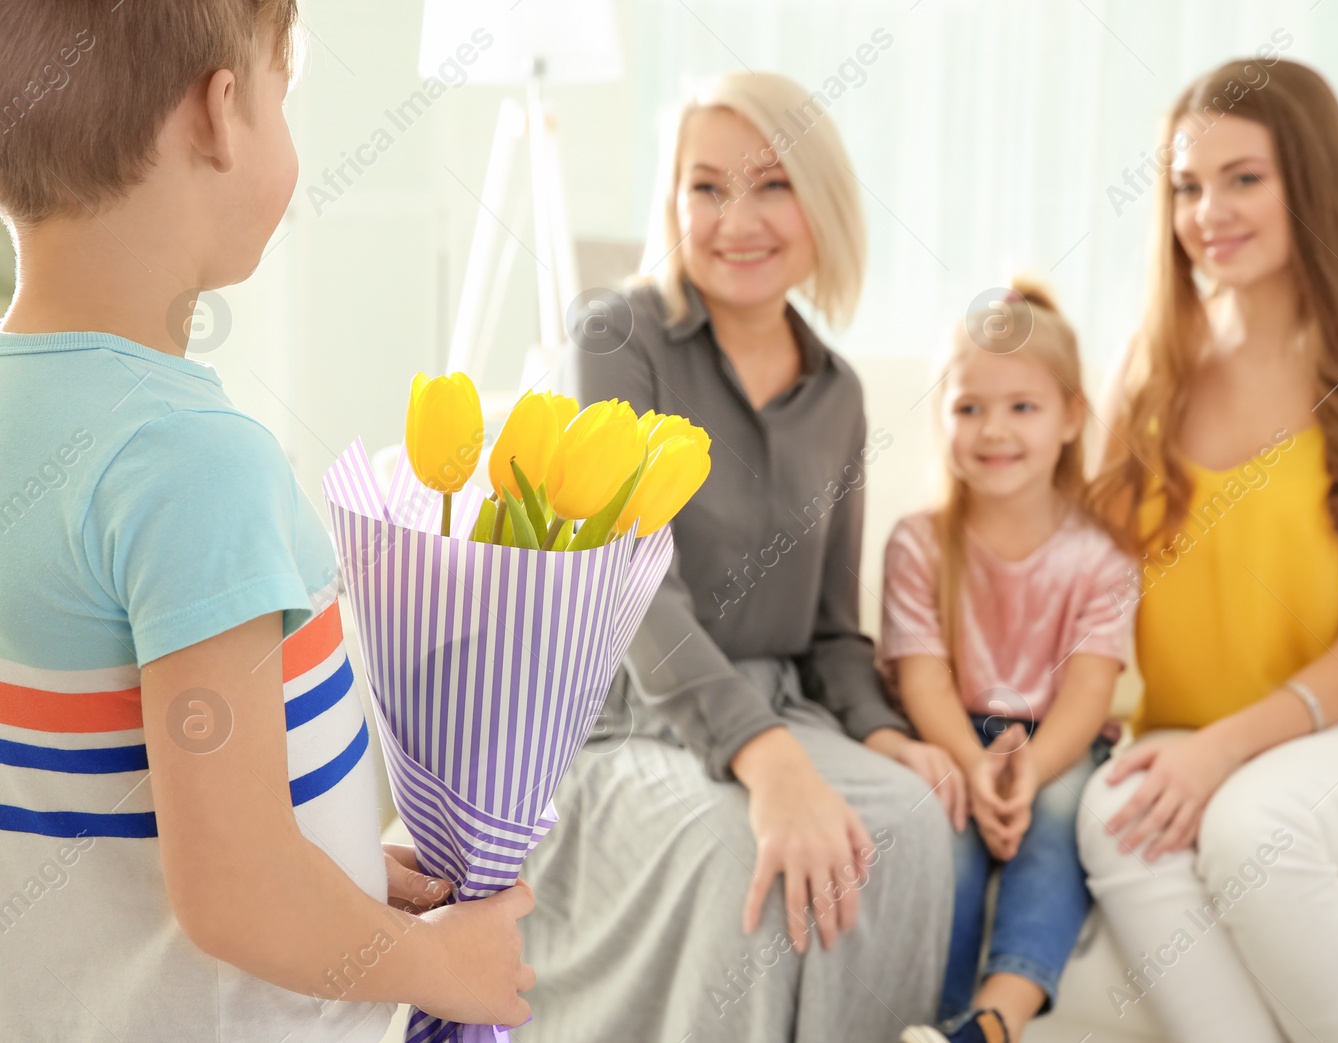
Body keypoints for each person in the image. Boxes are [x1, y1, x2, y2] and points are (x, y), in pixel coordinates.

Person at [0, 3, 534, 1039]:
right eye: (287, 94)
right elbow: (235, 888)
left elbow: (145, 791)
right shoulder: (191, 460)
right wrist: (438, 965)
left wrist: (331, 872)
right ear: (221, 112)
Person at [517, 71, 956, 1041]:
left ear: (821, 203)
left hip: (782, 700)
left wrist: (885, 734)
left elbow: (835, 630)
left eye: (771, 185)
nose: (736, 218)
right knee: (738, 851)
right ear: (671, 204)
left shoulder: (837, 394)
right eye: (705, 186)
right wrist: (769, 762)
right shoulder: (618, 335)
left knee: (913, 824)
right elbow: (633, 589)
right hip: (629, 715)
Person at [1077, 58, 1338, 1042]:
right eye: (1185, 184)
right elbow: (1083, 587)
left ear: (1308, 180)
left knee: (1252, 831)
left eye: (1242, 178)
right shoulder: (1152, 363)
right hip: (1184, 729)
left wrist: (1215, 753)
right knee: (1110, 817)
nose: (1205, 209)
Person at [884, 279, 1134, 1043]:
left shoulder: (1102, 556)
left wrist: (1028, 769)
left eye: (1022, 406)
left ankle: (994, 1022)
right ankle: (936, 1016)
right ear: (942, 419)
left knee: (1058, 818)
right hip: (954, 731)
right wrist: (970, 761)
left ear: (1070, 418)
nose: (994, 429)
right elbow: (920, 674)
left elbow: (1090, 690)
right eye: (969, 407)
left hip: (1058, 737)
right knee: (942, 824)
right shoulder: (919, 544)